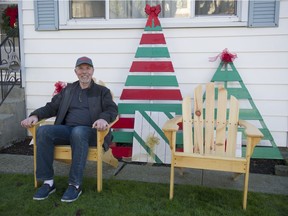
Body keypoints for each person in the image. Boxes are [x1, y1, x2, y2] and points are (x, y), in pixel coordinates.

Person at [21, 56, 118, 202]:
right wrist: (35, 115)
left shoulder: (102, 91)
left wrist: (103, 118)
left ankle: (75, 184)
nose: (84, 72)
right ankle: (48, 182)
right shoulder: (68, 90)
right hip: (68, 130)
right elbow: (52, 106)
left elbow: (112, 109)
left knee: (79, 131)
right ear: (75, 71)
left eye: (87, 68)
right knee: (43, 131)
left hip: (92, 132)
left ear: (92, 71)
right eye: (81, 68)